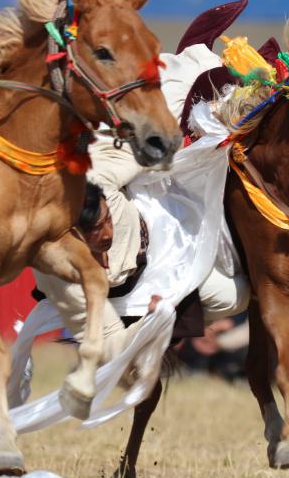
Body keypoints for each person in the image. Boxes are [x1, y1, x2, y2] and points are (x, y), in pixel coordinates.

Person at [36, 136, 250, 365]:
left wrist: (173, 147)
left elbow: (138, 152)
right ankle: (162, 333)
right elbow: (111, 343)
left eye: (107, 218)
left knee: (237, 295)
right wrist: (150, 324)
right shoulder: (60, 275)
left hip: (163, 234)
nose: (108, 232)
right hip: (128, 300)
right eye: (95, 231)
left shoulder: (100, 178)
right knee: (230, 294)